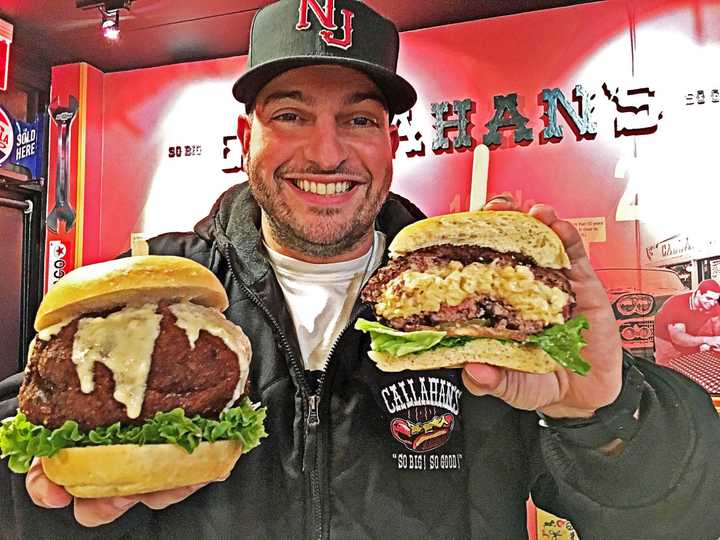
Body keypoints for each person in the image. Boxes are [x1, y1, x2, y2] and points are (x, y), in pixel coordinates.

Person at [2, 1, 720, 538]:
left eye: (358, 120)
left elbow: (680, 516)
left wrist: (609, 410)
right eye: (289, 115)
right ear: (243, 137)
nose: (325, 153)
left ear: (391, 141)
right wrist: (58, 512)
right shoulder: (157, 286)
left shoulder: (515, 351)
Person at [654, 279, 720, 363]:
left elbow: (716, 324)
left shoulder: (715, 305)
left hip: (691, 333)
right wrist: (708, 340)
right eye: (708, 298)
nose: (712, 303)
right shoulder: (677, 304)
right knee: (671, 367)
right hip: (667, 339)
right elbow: (678, 338)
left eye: (715, 300)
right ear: (698, 293)